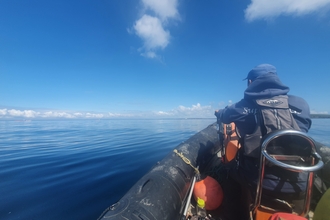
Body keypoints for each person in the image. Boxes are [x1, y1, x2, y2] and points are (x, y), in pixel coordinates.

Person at [215, 64, 312, 218]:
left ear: (251, 82)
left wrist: (219, 112)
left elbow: (224, 116)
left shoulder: (243, 106)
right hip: (301, 182)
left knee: (228, 170)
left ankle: (235, 213)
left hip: (259, 182)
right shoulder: (301, 104)